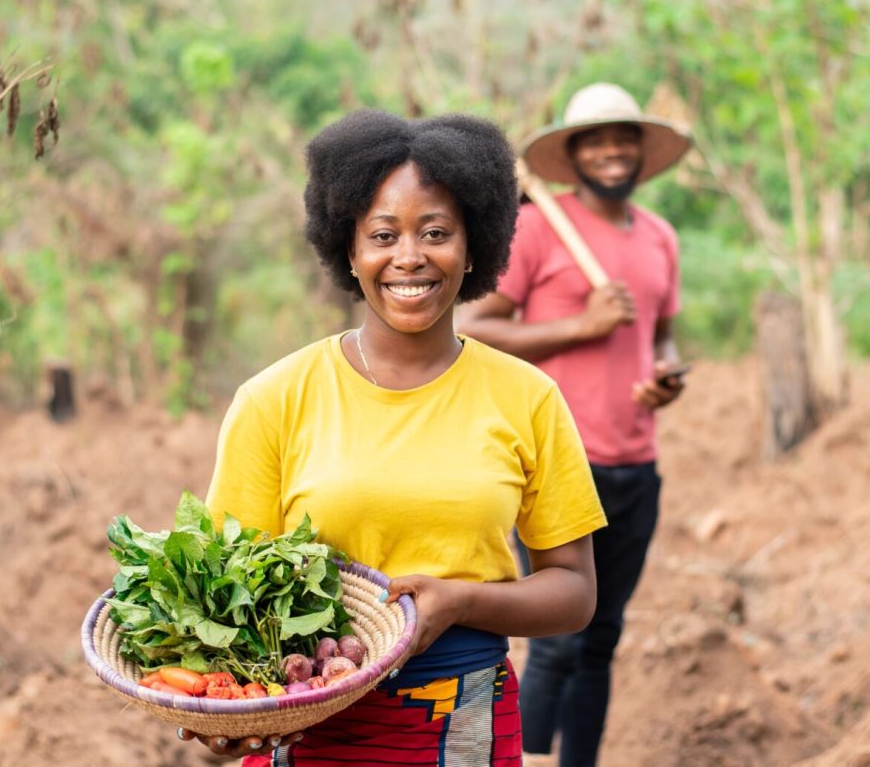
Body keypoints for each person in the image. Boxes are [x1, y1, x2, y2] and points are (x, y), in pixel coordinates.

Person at [183, 109, 607, 765]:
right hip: (308, 719)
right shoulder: (274, 399)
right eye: (383, 234)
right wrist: (223, 709)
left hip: (463, 721)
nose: (410, 257)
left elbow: (574, 593)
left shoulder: (527, 398)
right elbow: (222, 593)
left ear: (474, 247)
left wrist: (463, 600)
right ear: (349, 249)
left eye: (436, 232)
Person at [455, 82, 693, 767]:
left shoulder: (659, 237)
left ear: (642, 152)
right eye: (597, 140)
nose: (613, 152)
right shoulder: (538, 227)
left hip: (636, 462)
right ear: (573, 153)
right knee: (559, 639)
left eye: (624, 139)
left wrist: (667, 376)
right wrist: (580, 325)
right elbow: (474, 328)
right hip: (561, 462)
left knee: (602, 638)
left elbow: (663, 336)